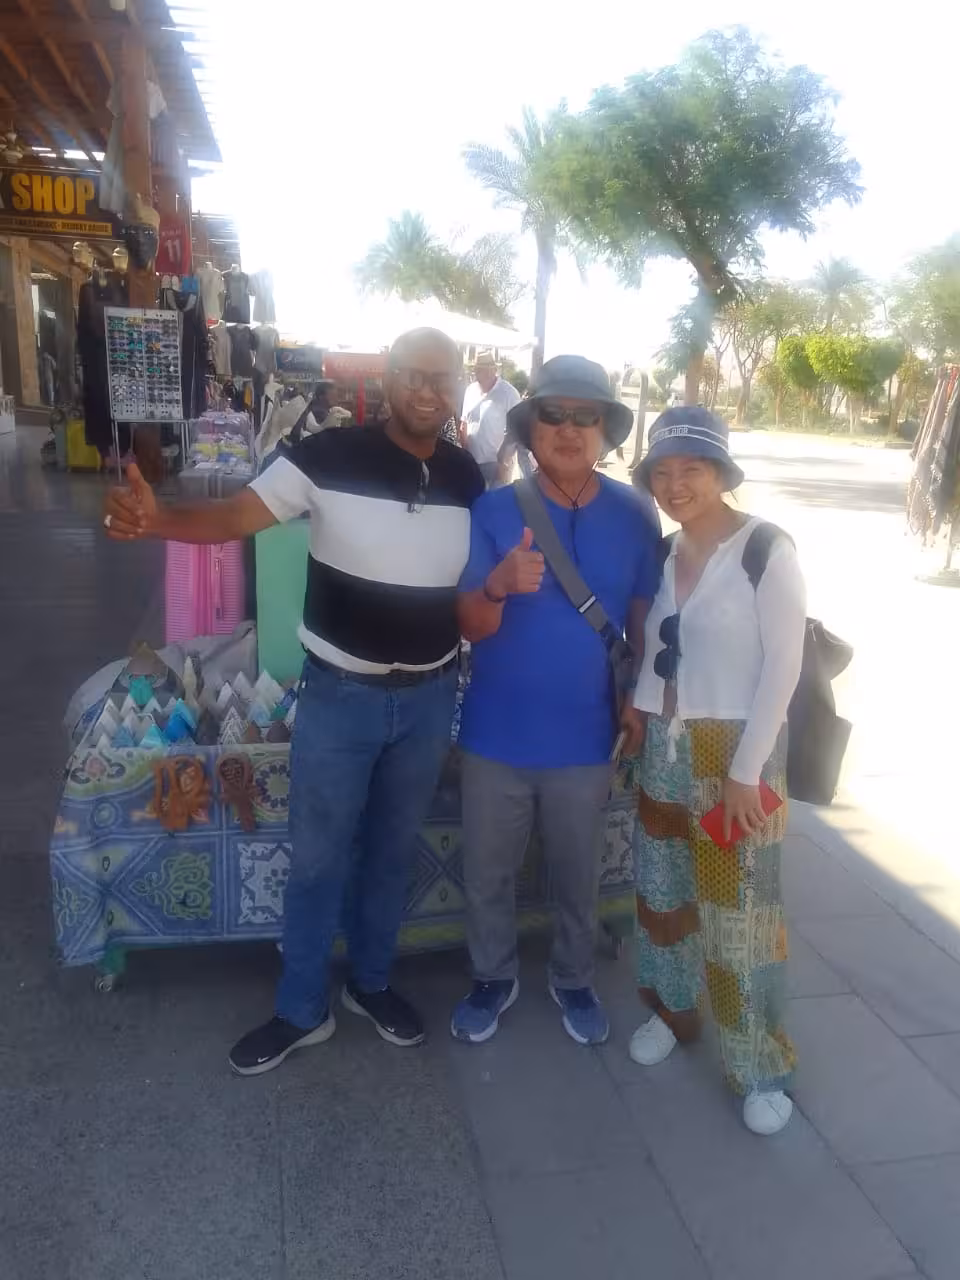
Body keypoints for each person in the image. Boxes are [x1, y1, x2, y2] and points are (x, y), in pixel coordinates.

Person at [102, 328, 485, 1075]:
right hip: (341, 697)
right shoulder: (327, 456)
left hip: (431, 696)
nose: (428, 390)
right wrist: (158, 519)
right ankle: (300, 1008)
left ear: (460, 387)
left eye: (443, 378)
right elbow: (235, 518)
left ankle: (371, 984)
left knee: (389, 853)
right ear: (389, 377)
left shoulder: (470, 476)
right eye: (413, 374)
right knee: (316, 862)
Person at [452, 355, 661, 1046]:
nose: (568, 430)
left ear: (604, 430)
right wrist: (498, 586)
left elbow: (640, 621)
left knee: (579, 872)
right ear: (530, 424)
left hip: (585, 736)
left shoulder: (635, 514)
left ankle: (573, 978)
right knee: (488, 871)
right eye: (553, 414)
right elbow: (469, 626)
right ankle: (492, 976)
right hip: (495, 734)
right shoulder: (492, 509)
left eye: (586, 417)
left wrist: (636, 699)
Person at [623, 406, 806, 1135]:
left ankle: (760, 1064)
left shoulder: (765, 548)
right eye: (661, 473)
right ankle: (672, 1012)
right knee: (662, 896)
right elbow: (659, 653)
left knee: (742, 921)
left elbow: (784, 665)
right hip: (665, 749)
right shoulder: (668, 556)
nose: (675, 485)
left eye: (690, 470)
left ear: (722, 474)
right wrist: (639, 714)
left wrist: (745, 769)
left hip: (736, 753)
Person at [461, 351, 521, 486]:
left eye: (487, 368)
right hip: (471, 462)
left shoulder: (509, 393)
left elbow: (516, 432)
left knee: (494, 504)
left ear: (494, 370)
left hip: (496, 464)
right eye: (478, 369)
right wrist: (464, 456)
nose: (481, 372)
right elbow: (463, 423)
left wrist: (504, 463)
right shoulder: (470, 390)